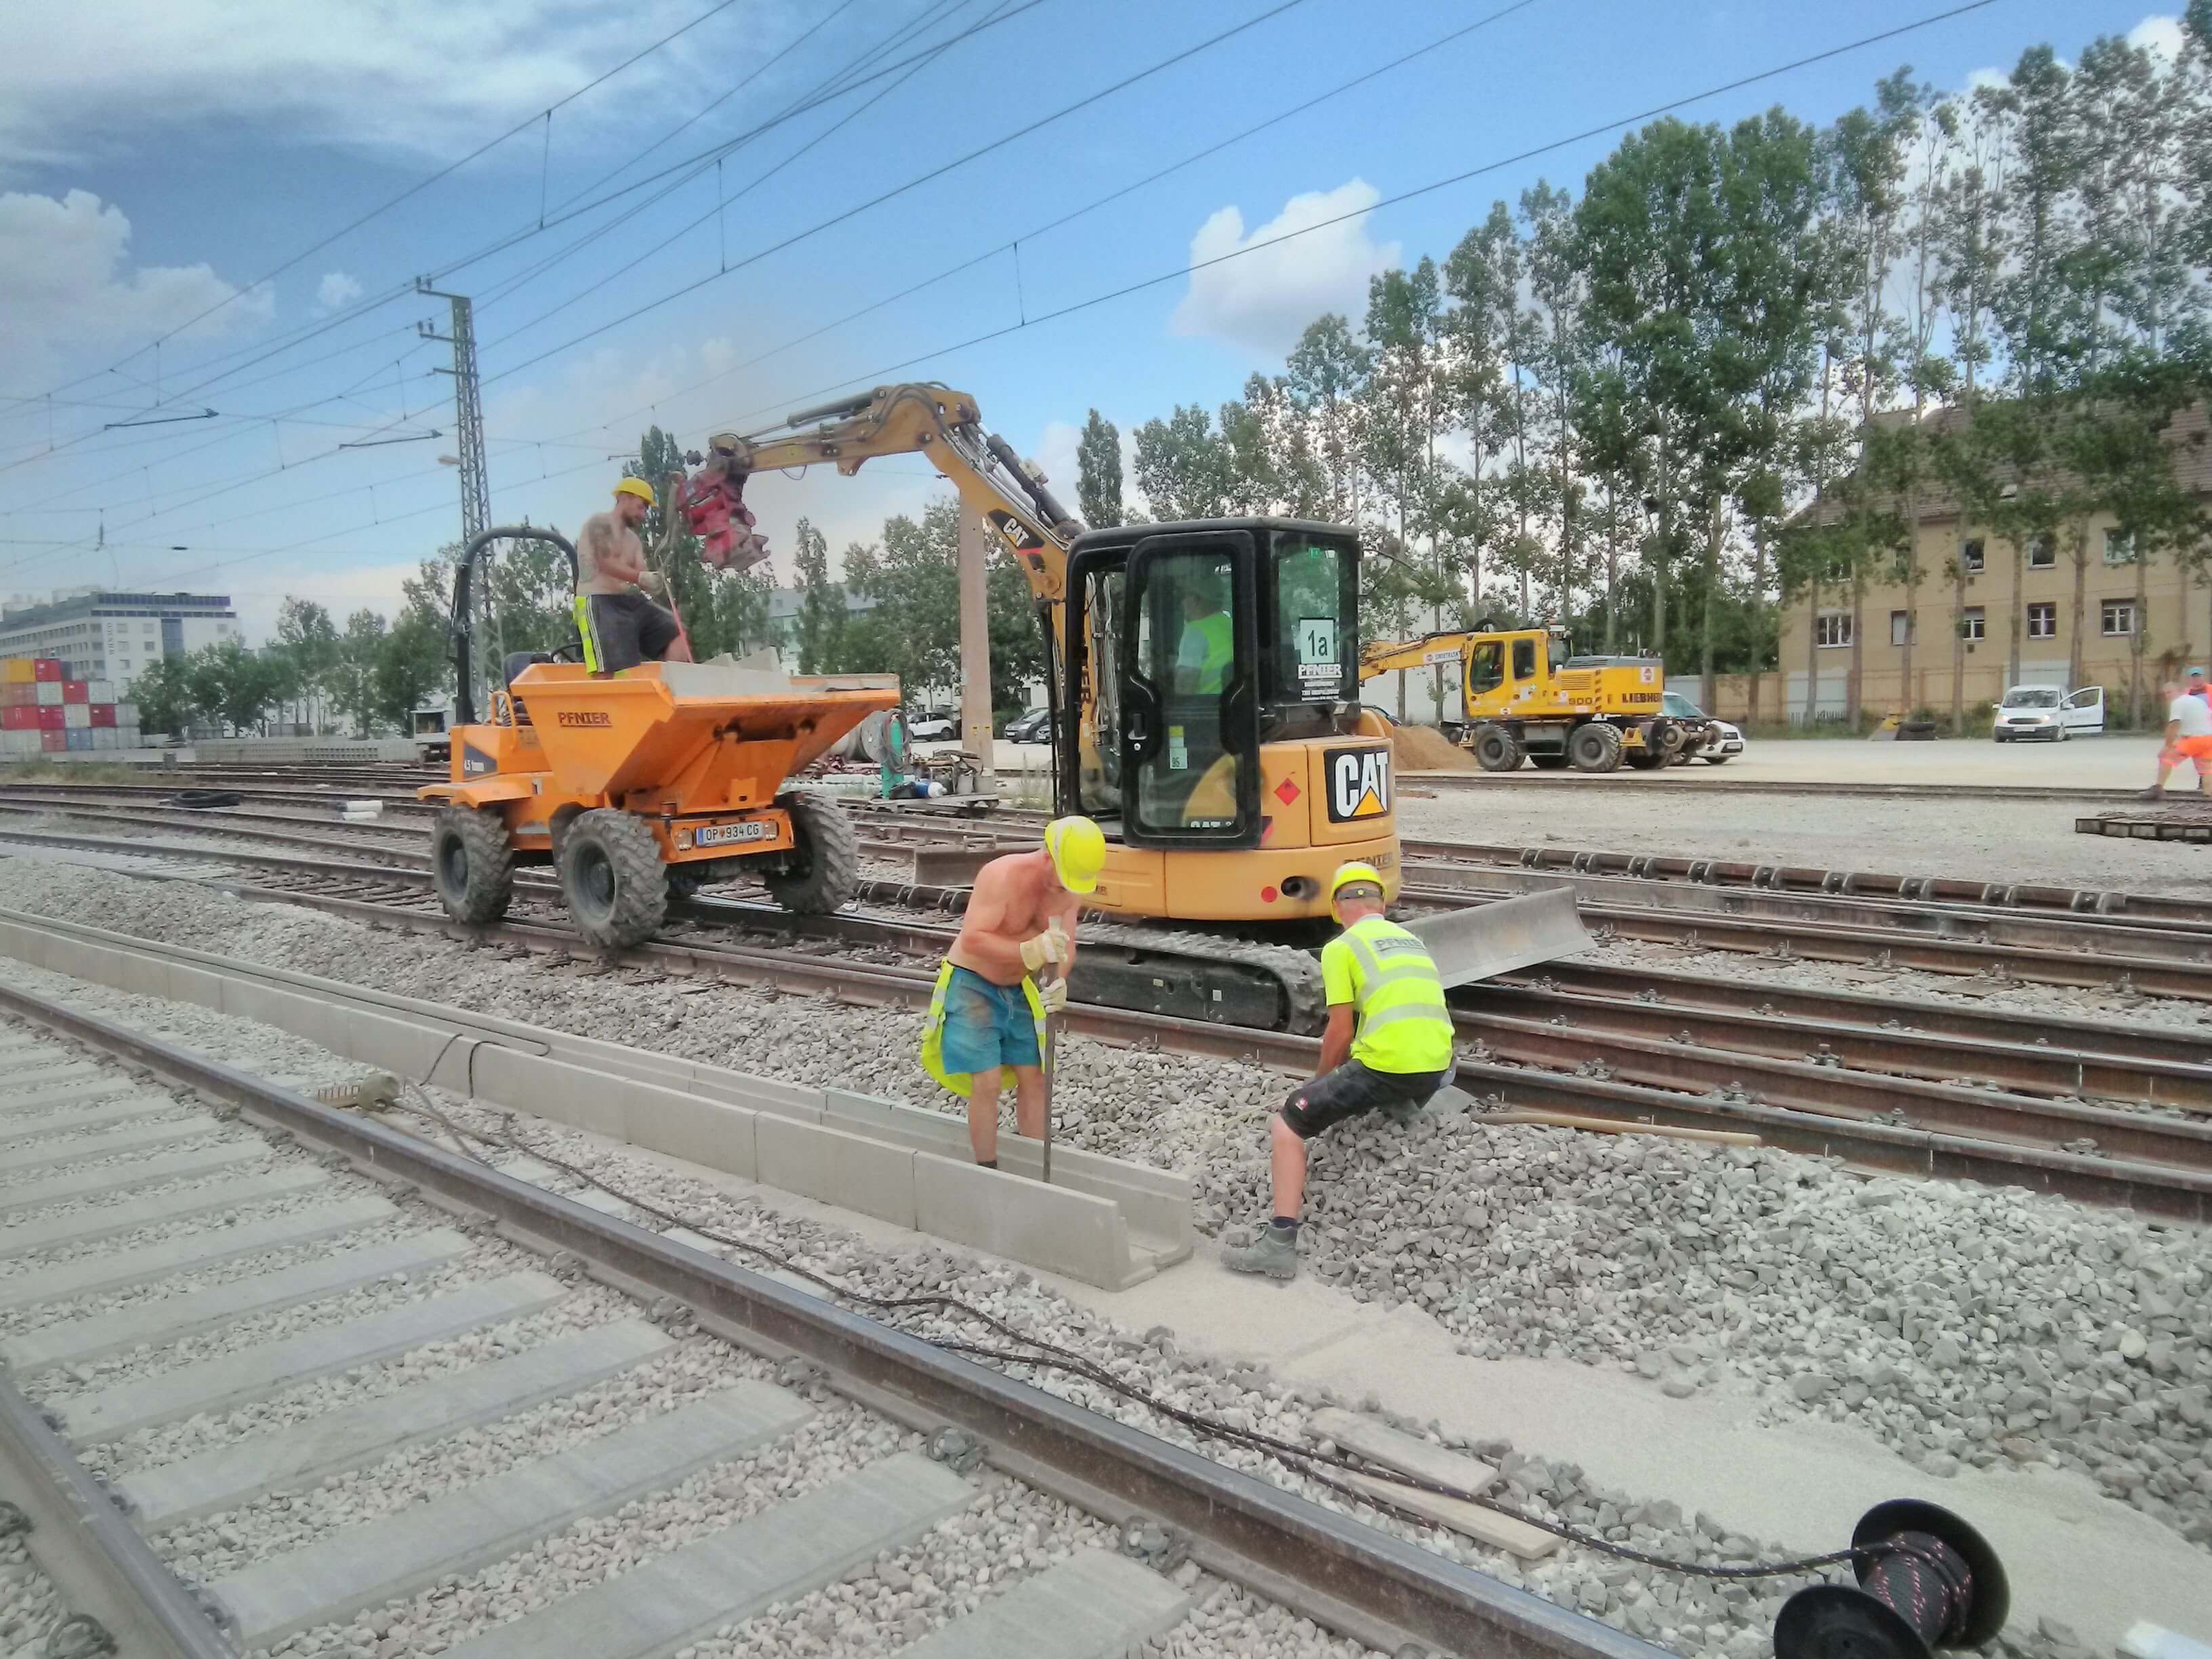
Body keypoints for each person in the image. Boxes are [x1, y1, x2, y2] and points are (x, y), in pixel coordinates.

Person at [1223, 861, 1456, 1282]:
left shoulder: (1341, 948)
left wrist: (1318, 1083)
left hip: (1390, 1067)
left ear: (1336, 907)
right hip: (1439, 1066)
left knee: (1288, 1124)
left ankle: (1278, 1243)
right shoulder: (1412, 941)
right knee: (1389, 1072)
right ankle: (1402, 1105)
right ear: (1381, 903)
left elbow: (1340, 1032)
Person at [921, 816, 1105, 1166]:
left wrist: (1059, 980)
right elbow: (973, 939)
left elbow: (1066, 944)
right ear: (1049, 856)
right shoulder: (1002, 876)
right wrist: (1028, 951)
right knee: (987, 1081)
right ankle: (987, 1168)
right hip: (972, 983)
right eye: (1062, 878)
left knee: (1034, 1077)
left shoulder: (1071, 887)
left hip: (1018, 987)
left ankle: (1034, 1166)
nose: (1066, 889)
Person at [574, 478, 693, 674]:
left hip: (628, 601)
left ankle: (672, 686)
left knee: (676, 630)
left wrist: (653, 580)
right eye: (641, 507)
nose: (643, 515)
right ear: (624, 498)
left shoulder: (633, 540)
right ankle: (606, 699)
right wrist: (640, 577)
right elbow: (605, 562)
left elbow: (641, 571)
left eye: (646, 510)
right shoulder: (600, 523)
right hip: (598, 602)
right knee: (615, 670)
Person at [2143, 678, 2212, 800]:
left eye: (2169, 692)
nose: (2167, 696)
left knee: (2166, 757)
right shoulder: (2199, 702)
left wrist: (2167, 746)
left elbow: (2174, 725)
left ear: (2180, 691)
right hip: (2209, 739)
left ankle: (2158, 789)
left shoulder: (2178, 702)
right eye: (2165, 693)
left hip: (2194, 739)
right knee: (2207, 770)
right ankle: (2208, 796)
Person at [1175, 590, 1232, 694]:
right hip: (1227, 701)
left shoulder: (1195, 632)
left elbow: (1185, 687)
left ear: (1195, 600)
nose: (1181, 603)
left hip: (1204, 704)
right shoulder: (1229, 623)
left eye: (1182, 596)